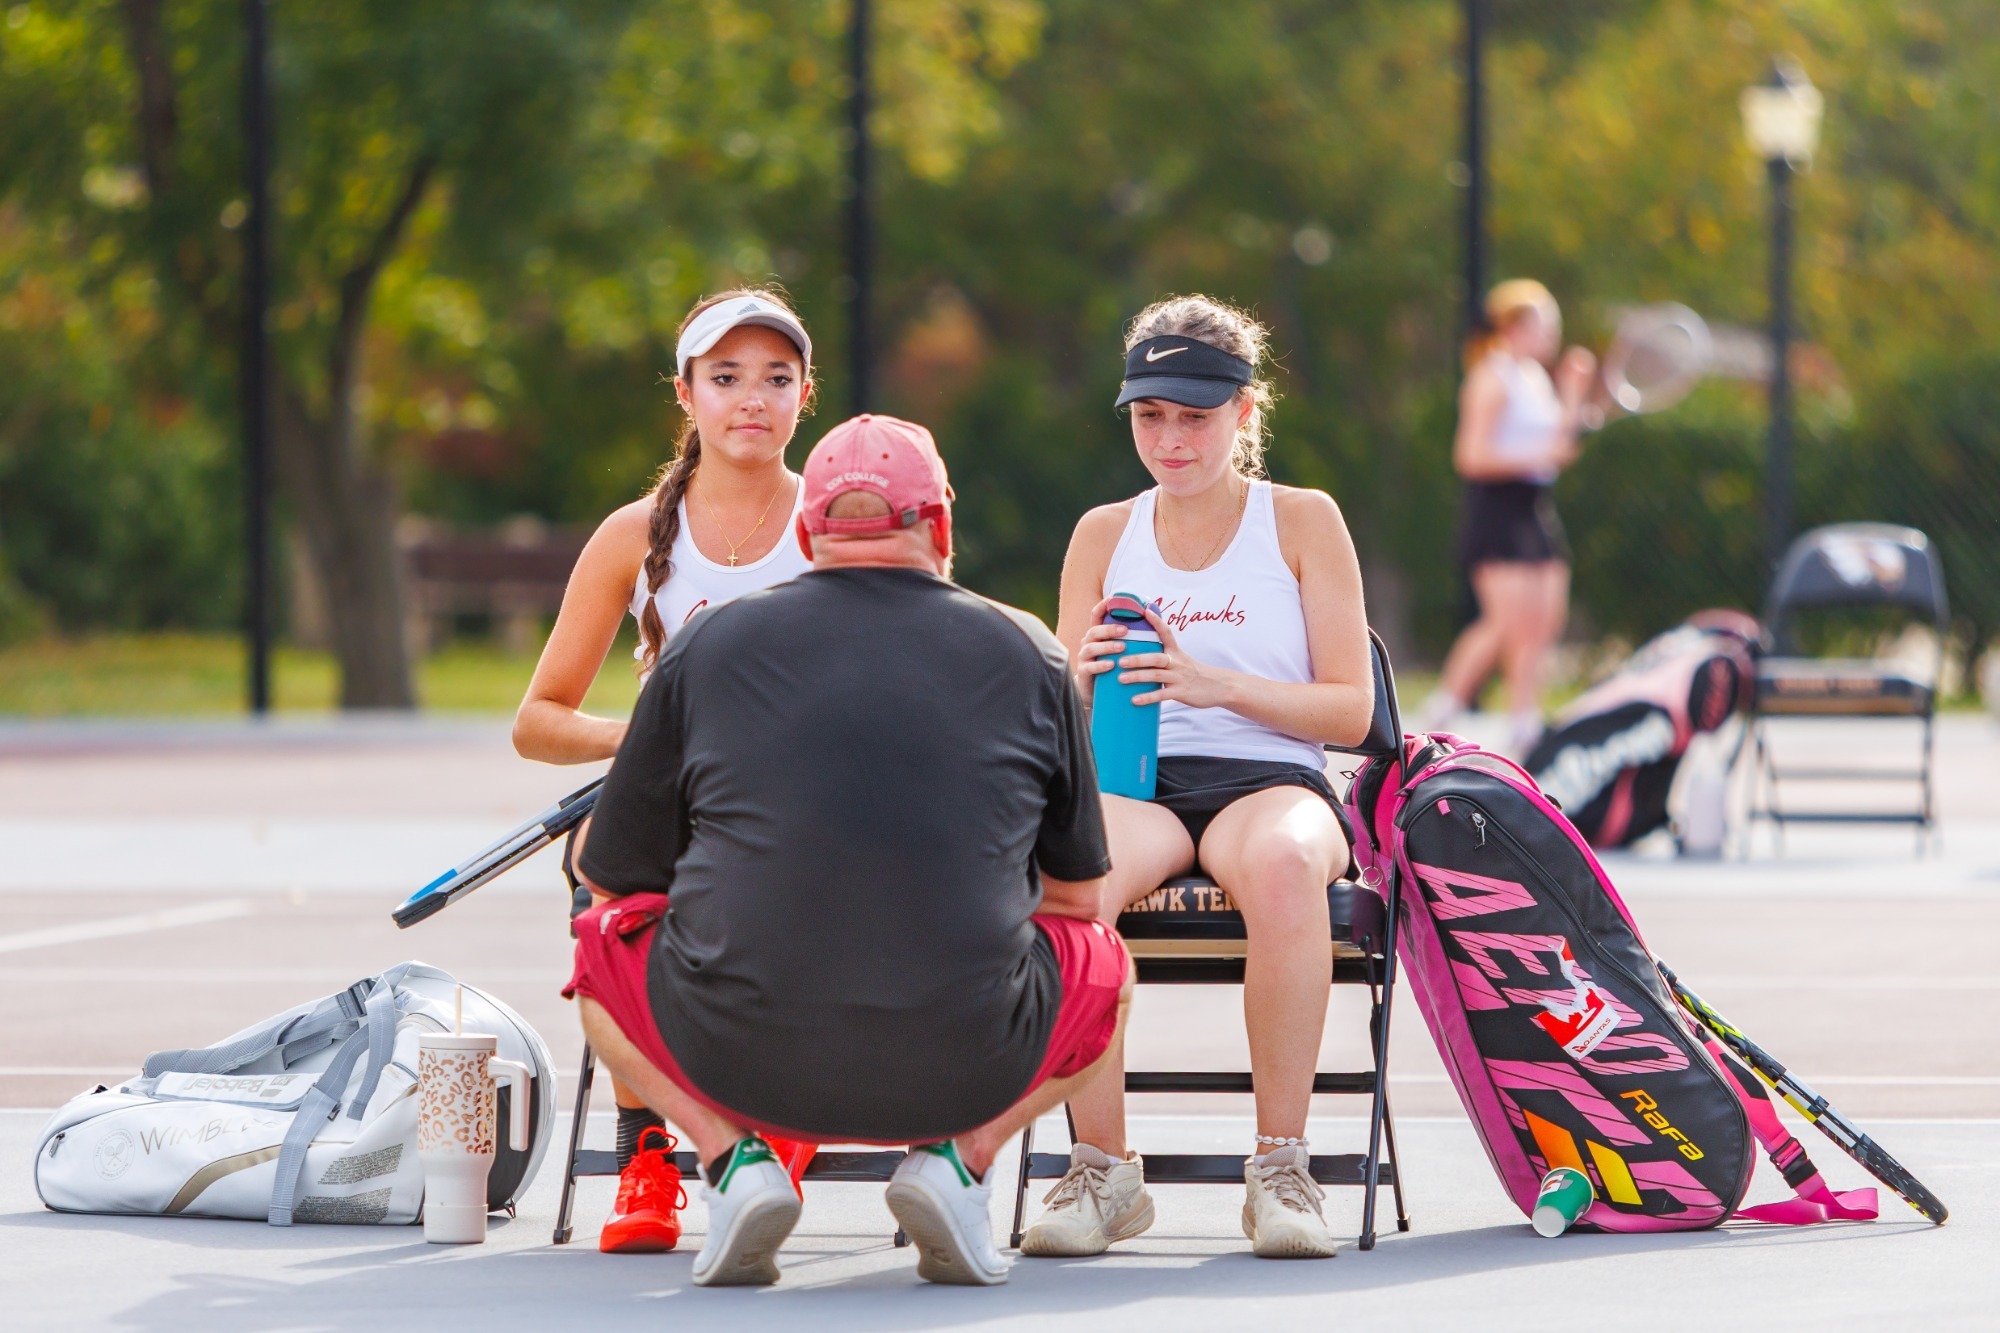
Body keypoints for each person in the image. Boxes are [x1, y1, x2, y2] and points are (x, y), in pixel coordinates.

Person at [566, 413, 1135, 1288]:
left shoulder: (704, 646)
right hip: (967, 1059)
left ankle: (730, 1162)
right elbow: (1077, 903)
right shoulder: (1032, 651)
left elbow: (609, 881)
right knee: (1106, 965)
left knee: (599, 944)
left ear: (805, 532)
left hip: (738, 1054)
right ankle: (958, 1163)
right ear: (941, 526)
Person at [1022, 294, 1374, 1261]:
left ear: (1245, 411)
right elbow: (1056, 706)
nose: (1171, 438)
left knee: (1278, 867)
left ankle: (1281, 1167)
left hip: (1271, 779)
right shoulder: (1104, 531)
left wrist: (1215, 681)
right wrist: (1076, 669)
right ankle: (1102, 1169)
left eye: (1195, 415)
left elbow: (1352, 709)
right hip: (1139, 780)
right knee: (1069, 875)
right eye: (1150, 416)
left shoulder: (1302, 520)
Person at [512, 287, 817, 1253]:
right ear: (685, 394)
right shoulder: (633, 534)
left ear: (806, 395)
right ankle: (649, 1159)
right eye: (725, 379)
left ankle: (786, 1116)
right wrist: (643, 733)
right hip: (680, 805)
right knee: (610, 874)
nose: (751, 400)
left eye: (776, 378)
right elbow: (537, 721)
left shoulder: (841, 521)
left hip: (816, 810)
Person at [1419, 279, 1598, 753]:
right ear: (1515, 326)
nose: (1553, 332)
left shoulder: (1537, 377)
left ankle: (1525, 722)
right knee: (1506, 623)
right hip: (1497, 506)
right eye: (1546, 322)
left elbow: (1562, 445)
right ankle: (1439, 710)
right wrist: (1540, 456)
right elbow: (1472, 456)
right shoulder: (1492, 375)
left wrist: (1576, 393)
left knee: (1544, 619)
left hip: (1535, 505)